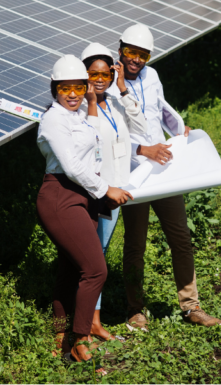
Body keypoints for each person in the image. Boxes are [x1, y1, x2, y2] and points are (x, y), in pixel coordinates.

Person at [110, 23, 221, 329]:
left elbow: (161, 110)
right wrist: (142, 150)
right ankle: (135, 309)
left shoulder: (152, 76)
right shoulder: (108, 84)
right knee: (135, 244)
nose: (136, 59)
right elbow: (109, 135)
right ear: (120, 49)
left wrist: (180, 131)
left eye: (143, 54)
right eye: (131, 52)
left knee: (181, 238)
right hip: (133, 173)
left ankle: (191, 306)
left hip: (164, 169)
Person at [36, 55, 133, 374]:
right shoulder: (54, 120)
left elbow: (91, 136)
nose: (73, 93)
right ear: (55, 88)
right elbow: (73, 166)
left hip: (81, 197)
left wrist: (91, 101)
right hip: (60, 196)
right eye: (66, 88)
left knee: (70, 269)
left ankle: (60, 337)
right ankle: (80, 339)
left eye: (79, 86)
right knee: (96, 270)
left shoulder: (77, 114)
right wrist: (107, 189)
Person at [79, 42, 148, 342]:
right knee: (94, 259)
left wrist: (123, 89)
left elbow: (142, 127)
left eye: (106, 73)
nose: (100, 79)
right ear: (83, 74)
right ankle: (88, 323)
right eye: (93, 73)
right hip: (98, 193)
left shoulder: (116, 102)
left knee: (100, 256)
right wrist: (91, 100)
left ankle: (92, 320)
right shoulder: (79, 107)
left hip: (118, 191)